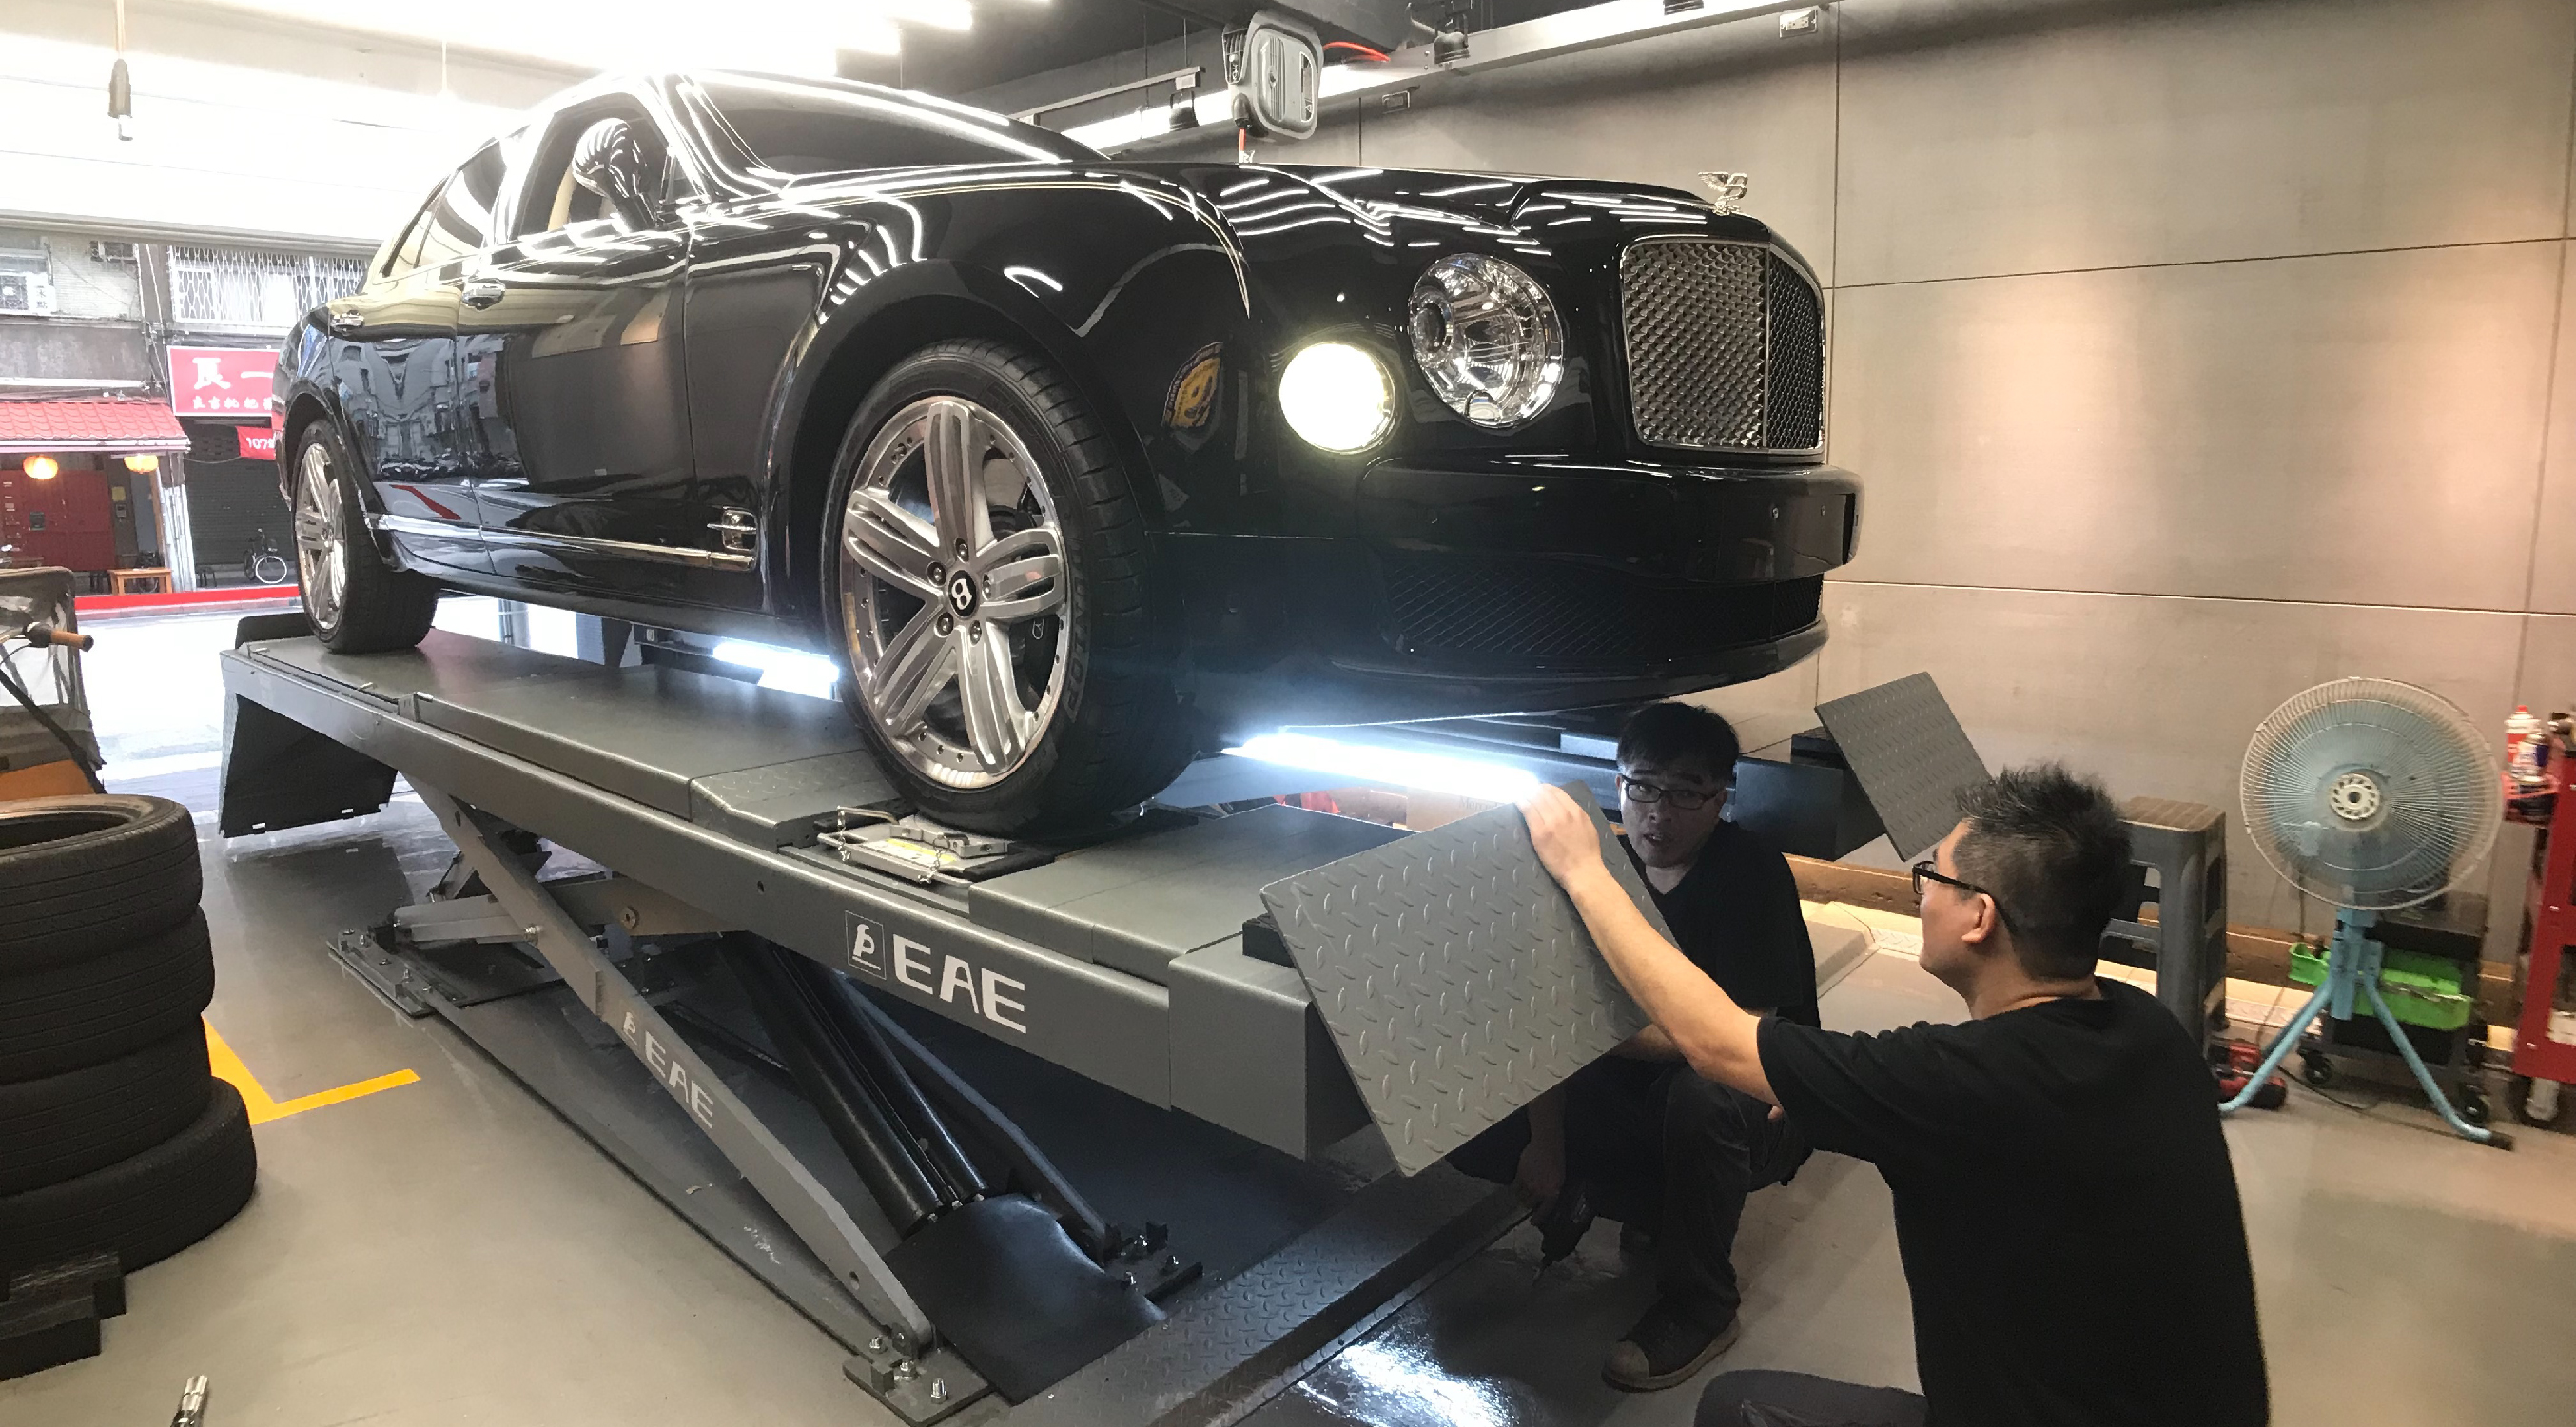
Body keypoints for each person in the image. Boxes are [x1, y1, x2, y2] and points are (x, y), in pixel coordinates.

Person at [1516, 763, 2268, 1427]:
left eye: (1936, 877)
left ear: (1979, 918)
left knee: (1735, 1407)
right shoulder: (2149, 1030)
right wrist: (1831, 1089)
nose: (1923, 894)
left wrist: (1584, 870)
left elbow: (1713, 1041)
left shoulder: (1953, 1083)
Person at [1449, 702, 1819, 1391]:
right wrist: (1547, 1145)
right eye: (1642, 786)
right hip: (1631, 1077)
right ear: (1618, 784)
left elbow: (1741, 1036)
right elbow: (1546, 1009)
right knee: (1478, 1108)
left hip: (1758, 1100)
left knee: (1701, 1099)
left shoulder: (1750, 872)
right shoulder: (1601, 866)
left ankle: (1701, 1305)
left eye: (1685, 793)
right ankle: (1641, 1199)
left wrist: (1584, 1034)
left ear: (1720, 799)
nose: (1658, 812)